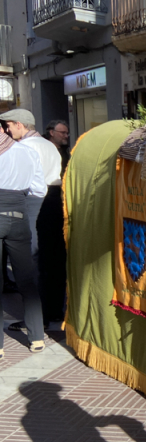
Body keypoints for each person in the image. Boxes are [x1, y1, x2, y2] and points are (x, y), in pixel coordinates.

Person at [1, 110, 64, 332]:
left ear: (20, 124)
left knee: (32, 261)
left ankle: (37, 319)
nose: (7, 130)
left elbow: (30, 182)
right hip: (56, 201)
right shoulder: (49, 145)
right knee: (53, 259)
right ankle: (55, 310)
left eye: (9, 125)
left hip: (34, 202)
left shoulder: (25, 148)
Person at [0, 127, 47, 357]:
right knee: (26, 278)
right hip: (19, 214)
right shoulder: (26, 152)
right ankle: (37, 337)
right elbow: (39, 188)